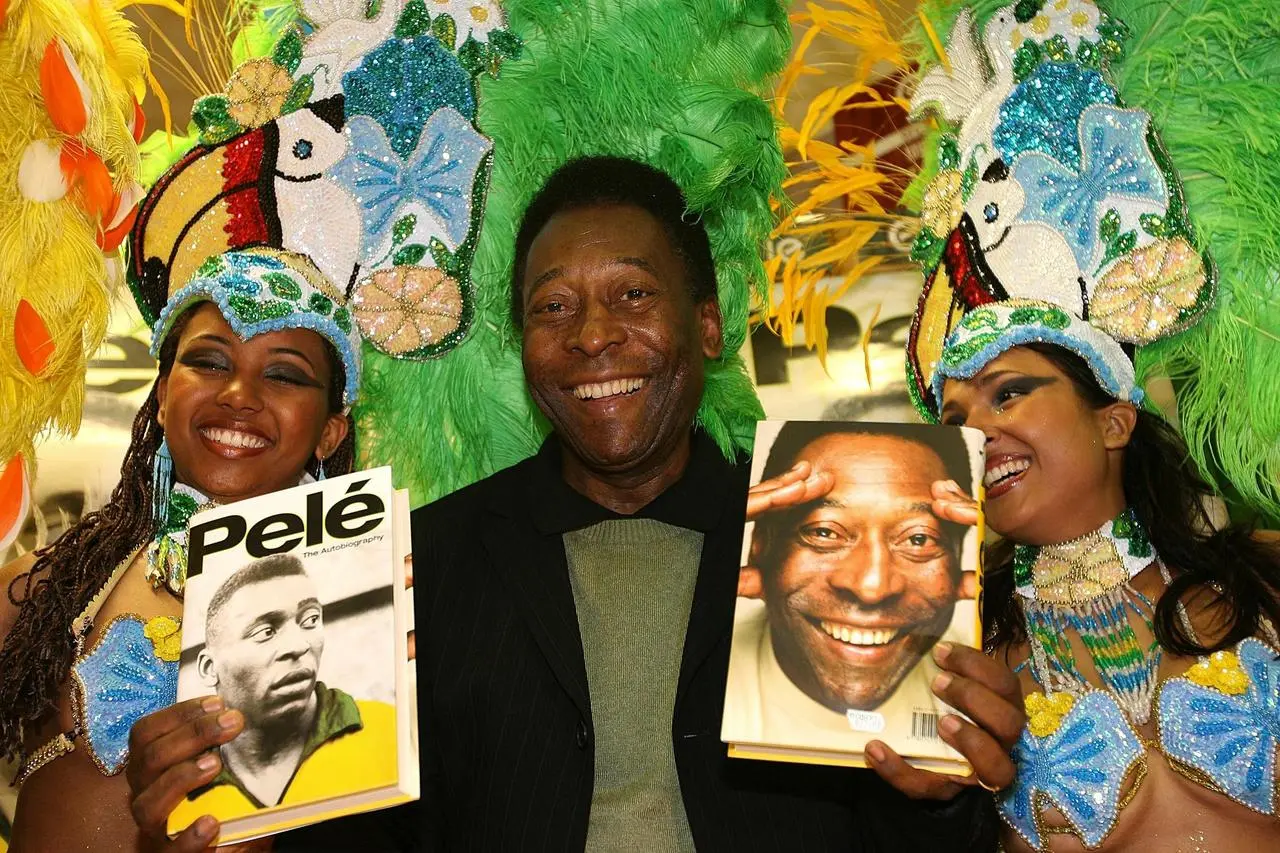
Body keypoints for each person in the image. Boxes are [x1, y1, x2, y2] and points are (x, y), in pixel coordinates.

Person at [127, 155, 1025, 852]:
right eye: (553, 307)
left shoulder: (833, 530)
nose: (594, 335)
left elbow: (900, 832)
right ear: (524, 345)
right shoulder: (420, 565)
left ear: (708, 324)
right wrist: (243, 823)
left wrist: (945, 790)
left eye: (633, 294)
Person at [893, 2, 1280, 850]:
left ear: (1113, 417)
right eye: (955, 417)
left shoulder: (1262, 582)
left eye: (1007, 394)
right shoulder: (965, 656)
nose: (976, 433)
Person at [726, 422, 979, 748]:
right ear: (759, 544)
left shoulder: (977, 689)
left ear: (960, 560)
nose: (871, 587)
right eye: (824, 532)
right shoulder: (698, 675)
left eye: (918, 539)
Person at [165, 553, 396, 822]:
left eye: (310, 620)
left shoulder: (389, 729)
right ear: (208, 668)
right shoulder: (184, 787)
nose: (299, 645)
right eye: (266, 632)